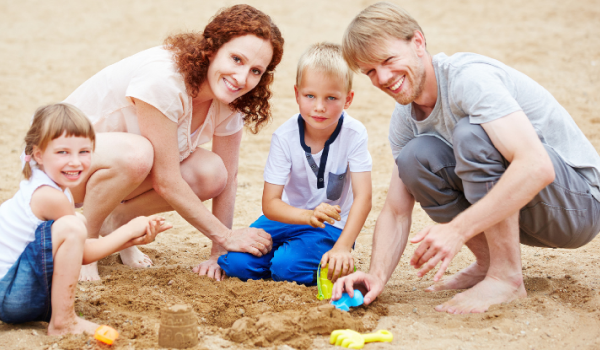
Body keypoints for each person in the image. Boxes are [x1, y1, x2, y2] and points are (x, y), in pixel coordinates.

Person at [331, 2, 600, 314]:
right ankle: (489, 265)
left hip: (577, 207)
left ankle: (506, 277)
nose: (383, 77)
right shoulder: (404, 118)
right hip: (523, 210)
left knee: (470, 135)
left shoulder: (467, 79)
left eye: (388, 60)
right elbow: (396, 210)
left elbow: (536, 166)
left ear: (418, 43)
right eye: (370, 72)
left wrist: (457, 230)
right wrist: (376, 275)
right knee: (414, 159)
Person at [63, 4, 284, 281]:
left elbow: (230, 177)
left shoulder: (229, 98)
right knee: (139, 154)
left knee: (213, 173)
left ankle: (118, 225)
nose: (242, 78)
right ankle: (87, 243)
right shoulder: (165, 79)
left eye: (256, 71)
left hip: (117, 172)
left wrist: (218, 253)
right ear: (213, 48)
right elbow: (165, 180)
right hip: (63, 165)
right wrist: (226, 235)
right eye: (236, 59)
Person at [0, 103, 171, 335]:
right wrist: (128, 230)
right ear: (38, 154)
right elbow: (84, 254)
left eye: (84, 151)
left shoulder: (47, 182)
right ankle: (63, 322)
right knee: (74, 226)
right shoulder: (49, 196)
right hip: (11, 295)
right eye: (63, 152)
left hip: (13, 287)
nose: (75, 162)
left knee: (78, 224)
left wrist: (132, 239)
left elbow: (78, 247)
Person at [218, 43, 372, 285]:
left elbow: (364, 197)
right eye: (310, 96)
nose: (319, 106)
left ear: (348, 99)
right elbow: (270, 204)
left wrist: (343, 246)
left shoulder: (354, 133)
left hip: (331, 226)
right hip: (287, 217)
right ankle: (295, 254)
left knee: (286, 268)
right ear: (297, 94)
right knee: (237, 264)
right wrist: (307, 215)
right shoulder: (284, 136)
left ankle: (305, 257)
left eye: (331, 98)